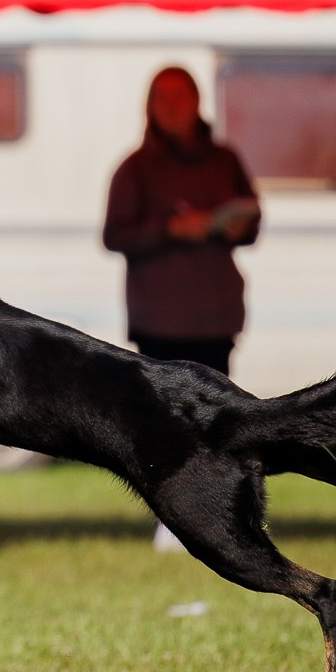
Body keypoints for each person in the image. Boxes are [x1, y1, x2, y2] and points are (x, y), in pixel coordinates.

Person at [103, 66, 260, 551]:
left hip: (213, 316)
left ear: (198, 102)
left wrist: (229, 226)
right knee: (163, 423)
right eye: (162, 97)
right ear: (150, 106)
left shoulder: (224, 160)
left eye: (181, 96)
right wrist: (171, 231)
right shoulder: (135, 168)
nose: (172, 106)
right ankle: (172, 517)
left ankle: (225, 514)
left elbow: (251, 219)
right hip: (159, 320)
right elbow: (116, 235)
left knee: (219, 420)